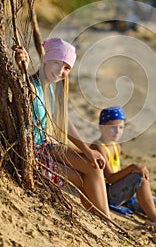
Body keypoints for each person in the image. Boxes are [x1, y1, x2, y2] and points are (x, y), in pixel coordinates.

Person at [13, 38, 110, 219]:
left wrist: (88, 151)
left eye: (66, 68)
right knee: (83, 178)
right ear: (46, 59)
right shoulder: (32, 86)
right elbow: (22, 88)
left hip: (47, 146)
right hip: (34, 152)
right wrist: (22, 67)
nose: (60, 71)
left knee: (94, 166)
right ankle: (106, 221)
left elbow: (63, 121)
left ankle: (106, 220)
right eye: (57, 63)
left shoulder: (51, 88)